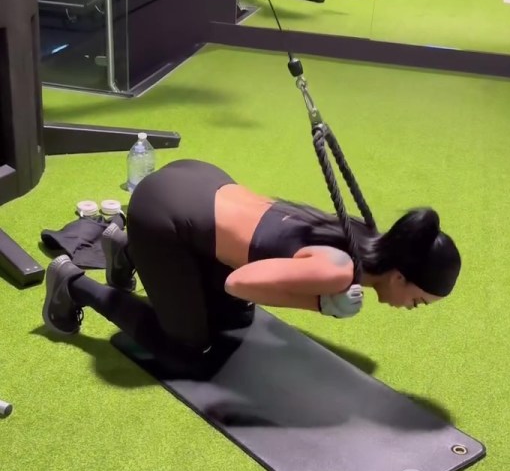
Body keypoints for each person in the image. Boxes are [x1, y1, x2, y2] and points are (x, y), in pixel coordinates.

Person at [41, 159, 461, 373]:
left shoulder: (365, 234)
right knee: (190, 349)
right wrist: (320, 304)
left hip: (199, 180)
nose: (411, 307)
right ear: (401, 276)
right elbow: (240, 282)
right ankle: (73, 282)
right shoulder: (340, 268)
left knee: (234, 318)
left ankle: (126, 246)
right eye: (418, 301)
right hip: (163, 210)